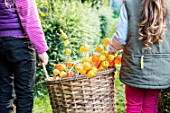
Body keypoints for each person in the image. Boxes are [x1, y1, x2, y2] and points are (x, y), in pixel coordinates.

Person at [107, 0, 170, 113]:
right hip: (159, 68)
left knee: (133, 105)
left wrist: (111, 48)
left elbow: (121, 37)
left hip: (134, 66)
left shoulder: (129, 3)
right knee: (151, 105)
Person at [0, 0, 49, 113]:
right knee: (24, 92)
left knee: (3, 91)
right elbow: (30, 20)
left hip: (1, 44)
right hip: (21, 45)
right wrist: (41, 50)